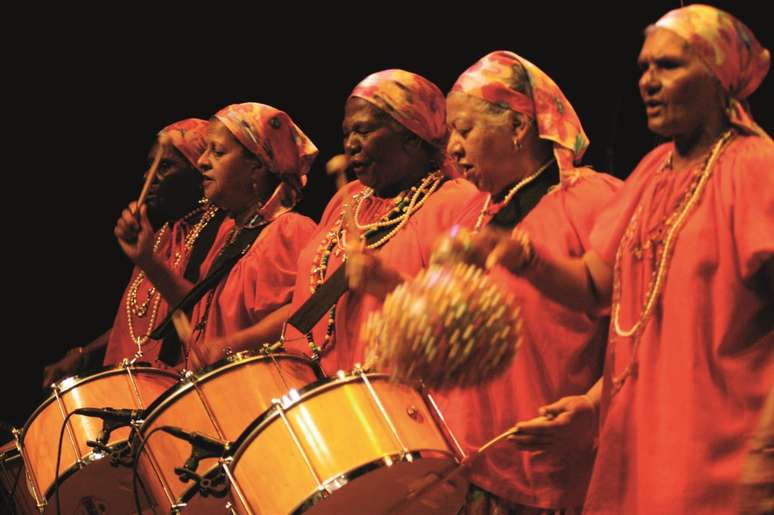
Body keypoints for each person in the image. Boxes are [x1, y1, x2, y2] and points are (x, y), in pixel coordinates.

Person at [464, 6, 772, 513]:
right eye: (644, 68)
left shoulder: (758, 168)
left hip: (725, 452)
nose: (649, 82)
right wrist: (517, 253)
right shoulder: (653, 171)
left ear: (720, 76)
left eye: (670, 66)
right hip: (641, 439)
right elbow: (592, 285)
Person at [429, 50, 621, 514]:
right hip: (463, 467)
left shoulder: (594, 200)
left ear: (518, 127)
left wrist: (595, 405)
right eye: (451, 133)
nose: (453, 148)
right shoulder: (469, 214)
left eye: (465, 129)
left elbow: (643, 328)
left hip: (548, 479)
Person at [282, 69, 480, 376]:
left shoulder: (455, 203)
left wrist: (387, 282)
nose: (351, 145)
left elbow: (466, 320)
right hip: (317, 390)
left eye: (364, 131)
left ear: (413, 137)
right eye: (347, 133)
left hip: (397, 399)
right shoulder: (347, 199)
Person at [115, 103, 318, 368]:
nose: (202, 162)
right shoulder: (231, 239)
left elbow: (308, 308)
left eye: (218, 152)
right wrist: (147, 260)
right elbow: (200, 316)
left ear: (256, 166)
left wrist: (233, 344)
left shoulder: (289, 229)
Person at [42, 118, 220, 385]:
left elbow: (204, 318)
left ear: (199, 173)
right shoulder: (159, 237)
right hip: (127, 391)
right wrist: (84, 354)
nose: (149, 177)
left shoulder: (221, 232)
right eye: (149, 166)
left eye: (166, 166)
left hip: (174, 392)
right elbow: (142, 322)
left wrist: (148, 261)